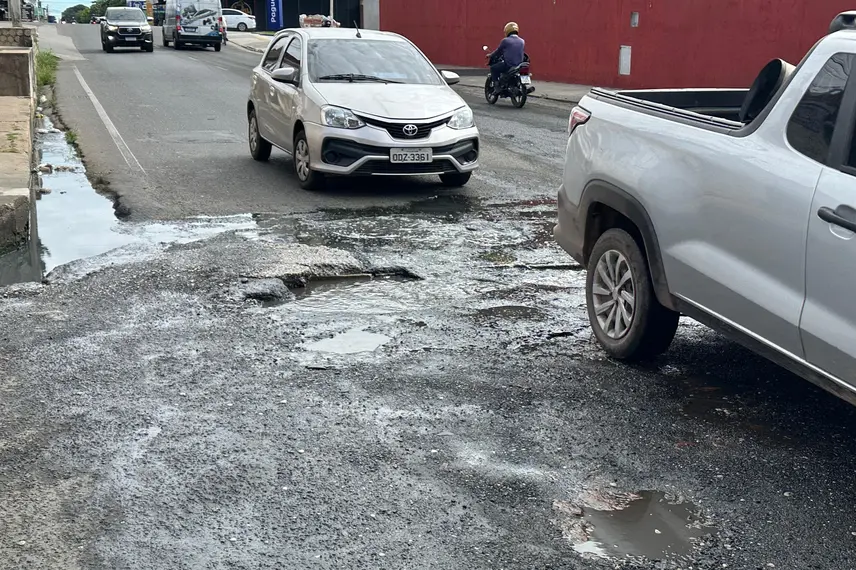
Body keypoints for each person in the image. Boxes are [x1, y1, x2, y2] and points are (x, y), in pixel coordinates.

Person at [486, 22, 525, 95]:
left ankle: (497, 87)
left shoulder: (505, 41)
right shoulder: (522, 41)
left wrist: (490, 55)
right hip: (519, 65)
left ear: (507, 30)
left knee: (493, 68)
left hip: (509, 65)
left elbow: (498, 51)